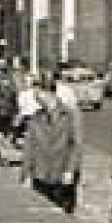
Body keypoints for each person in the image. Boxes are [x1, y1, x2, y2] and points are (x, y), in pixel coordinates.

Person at [21, 71, 82, 214]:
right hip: (40, 175)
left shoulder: (70, 115)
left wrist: (70, 170)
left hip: (62, 174)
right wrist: (25, 175)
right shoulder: (36, 117)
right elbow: (29, 147)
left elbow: (76, 144)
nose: (35, 97)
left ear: (47, 93)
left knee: (63, 216)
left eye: (37, 92)